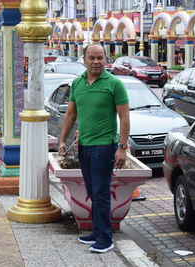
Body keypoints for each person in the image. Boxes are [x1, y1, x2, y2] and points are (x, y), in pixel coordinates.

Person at [58, 44, 130, 253]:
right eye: (92, 58)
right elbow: (71, 114)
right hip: (85, 147)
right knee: (91, 191)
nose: (96, 62)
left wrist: (122, 147)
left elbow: (124, 117)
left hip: (104, 147)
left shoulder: (115, 84)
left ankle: (105, 239)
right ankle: (97, 232)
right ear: (84, 59)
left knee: (100, 193)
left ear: (105, 59)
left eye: (100, 58)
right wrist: (62, 140)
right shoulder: (77, 83)